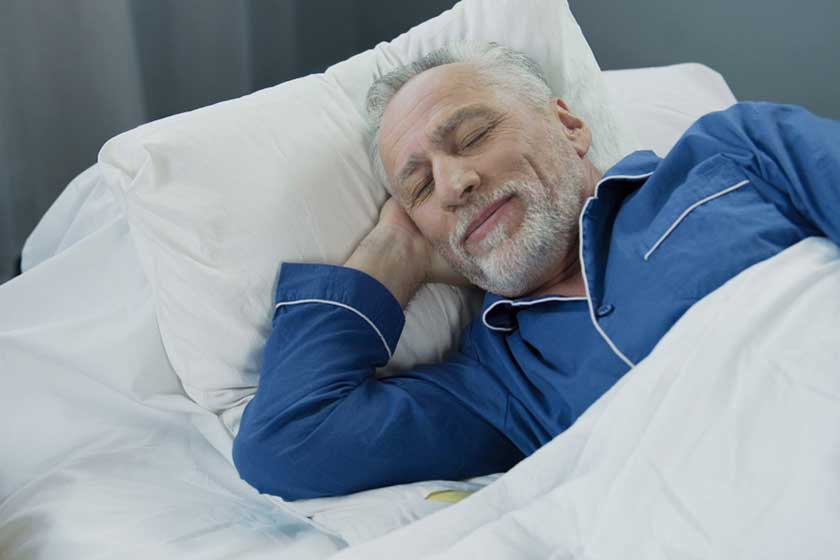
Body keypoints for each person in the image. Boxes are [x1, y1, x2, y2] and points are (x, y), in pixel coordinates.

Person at [232, 41, 840, 500]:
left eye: (472, 136)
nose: (453, 183)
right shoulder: (501, 386)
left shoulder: (732, 154)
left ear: (569, 126)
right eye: (418, 189)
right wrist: (392, 252)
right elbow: (287, 444)